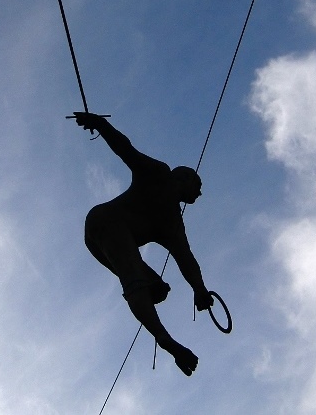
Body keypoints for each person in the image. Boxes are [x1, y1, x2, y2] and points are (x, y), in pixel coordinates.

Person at [73, 112, 214, 376]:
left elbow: (187, 259)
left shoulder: (173, 224)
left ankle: (164, 333)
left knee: (157, 289)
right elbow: (126, 150)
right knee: (135, 278)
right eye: (198, 185)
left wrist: (200, 289)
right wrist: (101, 124)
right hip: (105, 222)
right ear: (183, 178)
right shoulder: (159, 174)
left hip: (105, 238)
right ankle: (168, 342)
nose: (200, 193)